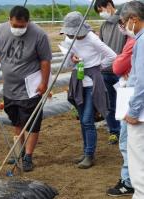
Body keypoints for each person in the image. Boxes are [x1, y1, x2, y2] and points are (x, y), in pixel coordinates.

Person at [0, 6, 52, 172]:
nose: (18, 29)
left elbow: (45, 61)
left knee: (31, 123)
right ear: (9, 20)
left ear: (28, 22)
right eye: (15, 26)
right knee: (17, 121)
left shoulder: (39, 34)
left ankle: (29, 156)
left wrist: (44, 82)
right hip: (10, 88)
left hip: (31, 88)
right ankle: (19, 152)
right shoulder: (0, 31)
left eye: (22, 26)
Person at [60, 11, 117, 169]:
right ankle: (86, 151)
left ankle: (90, 155)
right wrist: (71, 60)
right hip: (78, 82)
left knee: (87, 120)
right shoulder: (68, 39)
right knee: (82, 121)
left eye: (73, 33)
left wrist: (97, 67)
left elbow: (112, 55)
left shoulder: (92, 38)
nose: (71, 36)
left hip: (92, 83)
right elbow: (67, 65)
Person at [106, 18, 136, 197]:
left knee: (127, 142)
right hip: (132, 94)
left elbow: (118, 66)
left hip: (132, 96)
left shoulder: (134, 41)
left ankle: (129, 181)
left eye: (124, 22)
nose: (122, 27)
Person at [120, 1, 144, 198]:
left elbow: (143, 81)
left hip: (141, 113)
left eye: (124, 22)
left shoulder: (142, 41)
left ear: (134, 19)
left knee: (138, 160)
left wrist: (134, 111)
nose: (124, 27)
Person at [94, 0, 127, 144]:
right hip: (106, 71)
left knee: (124, 103)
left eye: (101, 9)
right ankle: (114, 132)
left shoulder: (123, 23)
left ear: (109, 5)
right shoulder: (104, 26)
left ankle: (126, 132)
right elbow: (100, 47)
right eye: (99, 11)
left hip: (121, 72)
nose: (101, 13)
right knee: (109, 103)